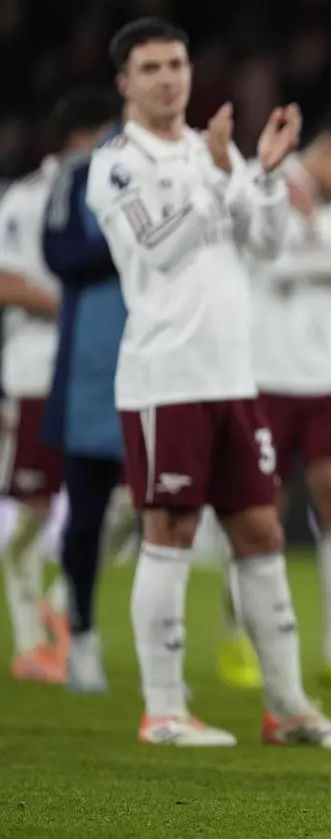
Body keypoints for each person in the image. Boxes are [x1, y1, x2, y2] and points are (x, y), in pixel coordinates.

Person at [86, 16, 331, 749]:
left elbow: (266, 244)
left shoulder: (210, 151)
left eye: (176, 64)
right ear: (124, 82)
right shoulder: (117, 164)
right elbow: (159, 246)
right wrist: (223, 178)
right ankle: (163, 709)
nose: (168, 78)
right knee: (171, 531)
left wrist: (267, 176)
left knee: (261, 529)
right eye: (151, 68)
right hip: (166, 376)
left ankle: (289, 709)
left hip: (236, 376)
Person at [247, 107, 331, 691]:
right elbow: (269, 263)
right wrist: (328, 259)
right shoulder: (266, 195)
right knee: (257, 511)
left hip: (330, 378)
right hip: (265, 376)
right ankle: (244, 638)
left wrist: (323, 255)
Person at [0, 90, 117, 684]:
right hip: (38, 369)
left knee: (125, 503)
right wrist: (75, 308)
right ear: (83, 137)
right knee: (33, 510)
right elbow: (6, 282)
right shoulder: (27, 198)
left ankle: (61, 599)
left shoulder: (123, 186)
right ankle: (30, 642)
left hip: (107, 367)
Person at [41, 97, 139, 693]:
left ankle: (161, 659)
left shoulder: (191, 165)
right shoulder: (80, 173)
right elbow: (59, 252)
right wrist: (139, 237)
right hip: (92, 368)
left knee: (168, 515)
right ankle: (79, 634)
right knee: (86, 513)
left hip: (171, 365)